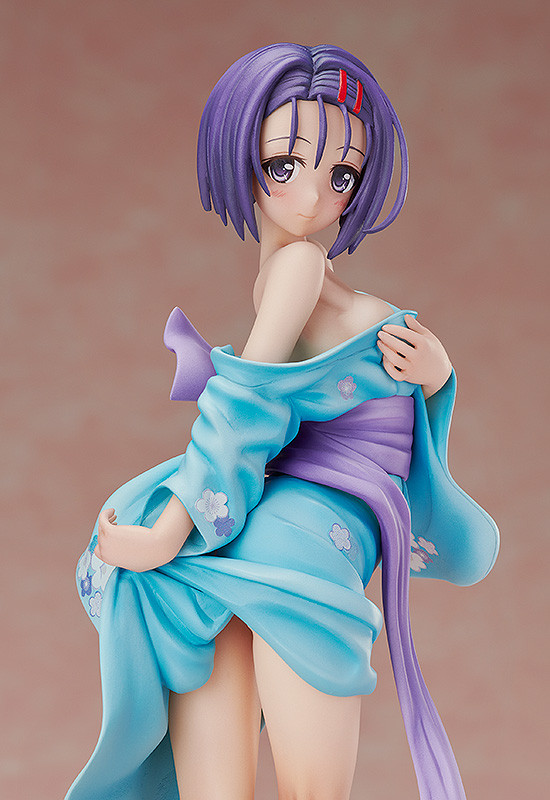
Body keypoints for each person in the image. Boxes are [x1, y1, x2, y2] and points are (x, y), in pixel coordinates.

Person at [66, 44, 499, 800]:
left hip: (298, 524)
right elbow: (257, 403)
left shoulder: (295, 270)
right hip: (313, 530)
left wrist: (438, 381)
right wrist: (436, 383)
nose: (312, 198)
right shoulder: (295, 270)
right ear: (241, 159)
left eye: (342, 176)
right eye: (284, 165)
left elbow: (256, 404)